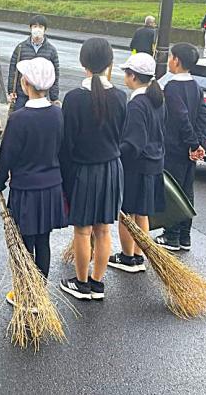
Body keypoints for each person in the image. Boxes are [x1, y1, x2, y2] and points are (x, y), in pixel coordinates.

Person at [0, 58, 66, 307]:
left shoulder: (19, 119)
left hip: (26, 190)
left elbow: (7, 155)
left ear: (26, 84)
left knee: (24, 243)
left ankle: (25, 293)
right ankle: (39, 293)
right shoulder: (57, 113)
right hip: (51, 187)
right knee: (43, 241)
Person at [59, 38, 127, 301]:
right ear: (109, 63)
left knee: (82, 230)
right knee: (103, 230)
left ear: (82, 62)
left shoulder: (74, 99)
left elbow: (67, 143)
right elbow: (121, 135)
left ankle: (81, 283)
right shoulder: (120, 97)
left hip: (83, 171)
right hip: (111, 169)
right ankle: (98, 284)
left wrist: (64, 178)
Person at [108, 53, 165, 273]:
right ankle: (139, 255)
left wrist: (115, 153)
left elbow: (134, 143)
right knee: (142, 213)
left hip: (136, 166)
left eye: (126, 73)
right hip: (153, 163)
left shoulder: (137, 104)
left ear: (133, 76)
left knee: (126, 214)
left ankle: (127, 256)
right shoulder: (157, 100)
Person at [155, 43, 206, 252]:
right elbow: (203, 115)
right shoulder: (196, 86)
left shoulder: (172, 88)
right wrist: (198, 143)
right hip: (189, 151)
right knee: (187, 191)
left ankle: (172, 235)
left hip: (175, 148)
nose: (169, 60)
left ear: (176, 60)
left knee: (173, 192)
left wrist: (192, 143)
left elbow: (181, 117)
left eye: (170, 57)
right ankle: (185, 235)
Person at [6, 15, 60, 110]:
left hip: (41, 94)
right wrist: (11, 90)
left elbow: (55, 74)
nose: (37, 29)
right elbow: (13, 70)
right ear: (30, 28)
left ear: (45, 29)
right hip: (22, 93)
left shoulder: (51, 50)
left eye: (41, 27)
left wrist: (54, 97)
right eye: (35, 26)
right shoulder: (20, 48)